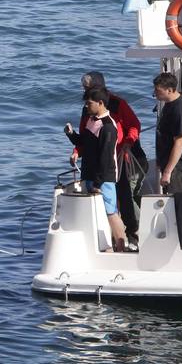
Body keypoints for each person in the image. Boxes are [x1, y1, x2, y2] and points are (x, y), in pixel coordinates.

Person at [76, 71, 145, 247]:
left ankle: (133, 235)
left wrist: (129, 143)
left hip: (121, 155)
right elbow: (86, 133)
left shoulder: (117, 104)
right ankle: (111, 238)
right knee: (109, 202)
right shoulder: (88, 107)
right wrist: (77, 150)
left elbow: (134, 124)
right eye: (85, 89)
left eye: (89, 89)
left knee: (125, 193)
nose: (86, 93)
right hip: (98, 159)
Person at [65, 87, 128, 252]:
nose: (86, 106)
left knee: (111, 212)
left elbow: (106, 157)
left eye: (89, 103)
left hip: (104, 177)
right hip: (89, 172)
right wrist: (71, 134)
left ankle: (122, 245)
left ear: (100, 103)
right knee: (98, 211)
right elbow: (85, 143)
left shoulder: (108, 127)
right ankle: (106, 245)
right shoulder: (91, 120)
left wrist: (98, 183)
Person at [154, 71, 182, 249]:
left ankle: (181, 244)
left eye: (158, 91)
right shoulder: (169, 104)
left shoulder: (179, 108)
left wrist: (168, 171)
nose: (155, 94)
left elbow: (179, 143)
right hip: (168, 162)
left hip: (178, 165)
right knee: (171, 199)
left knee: (176, 200)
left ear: (170, 90)